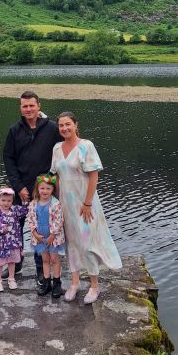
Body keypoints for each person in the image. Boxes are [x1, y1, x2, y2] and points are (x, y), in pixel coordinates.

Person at [51, 111, 122, 304]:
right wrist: (53, 201)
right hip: (65, 203)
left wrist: (88, 203)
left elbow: (93, 176)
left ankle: (94, 285)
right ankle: (75, 283)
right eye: (61, 125)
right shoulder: (57, 148)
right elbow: (56, 176)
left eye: (68, 124)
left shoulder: (86, 146)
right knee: (71, 242)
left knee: (87, 242)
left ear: (75, 125)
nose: (64, 128)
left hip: (85, 203)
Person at [3, 91, 62, 286]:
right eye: (25, 106)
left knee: (41, 229)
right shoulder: (14, 131)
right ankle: (16, 263)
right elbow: (8, 158)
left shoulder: (52, 128)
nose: (28, 109)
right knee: (15, 228)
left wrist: (51, 182)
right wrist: (18, 186)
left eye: (31, 105)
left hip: (43, 190)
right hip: (20, 189)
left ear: (39, 106)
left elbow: (61, 154)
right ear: (20, 108)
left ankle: (41, 270)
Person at [26, 173, 65, 298]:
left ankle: (57, 283)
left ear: (53, 189)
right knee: (45, 259)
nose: (45, 191)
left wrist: (52, 235)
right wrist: (35, 233)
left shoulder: (55, 204)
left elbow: (59, 221)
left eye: (48, 188)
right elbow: (30, 219)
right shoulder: (33, 204)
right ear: (38, 189)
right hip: (40, 237)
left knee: (54, 259)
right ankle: (46, 283)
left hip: (53, 237)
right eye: (42, 188)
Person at [0, 186, 28, 292]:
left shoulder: (14, 210)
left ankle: (11, 279)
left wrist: (25, 202)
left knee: (12, 262)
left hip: (13, 242)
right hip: (1, 244)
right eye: (3, 200)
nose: (6, 203)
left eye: (9, 201)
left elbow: (25, 211)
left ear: (12, 201)